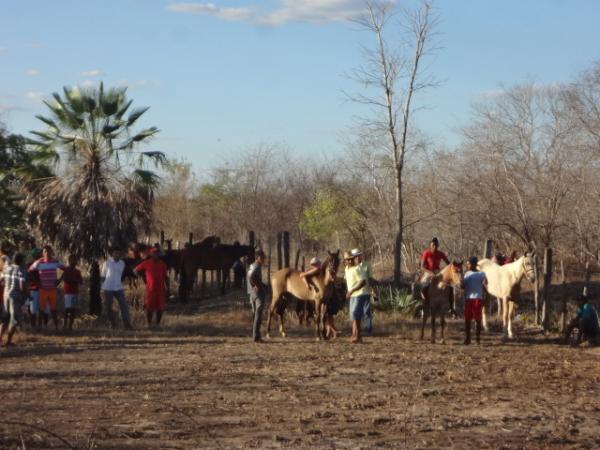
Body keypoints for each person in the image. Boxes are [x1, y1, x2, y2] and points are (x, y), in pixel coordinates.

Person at [29, 245, 65, 330]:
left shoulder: (55, 262)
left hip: (52, 289)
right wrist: (37, 282)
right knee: (41, 309)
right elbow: (30, 270)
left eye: (48, 251)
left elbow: (65, 269)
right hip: (43, 289)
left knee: (54, 310)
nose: (47, 253)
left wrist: (59, 280)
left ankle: (56, 328)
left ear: (51, 252)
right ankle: (40, 327)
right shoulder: (39, 262)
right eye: (45, 251)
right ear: (43, 253)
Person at [135, 248, 169, 327]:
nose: (156, 255)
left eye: (157, 253)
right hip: (150, 289)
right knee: (149, 307)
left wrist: (168, 288)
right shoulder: (146, 263)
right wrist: (143, 277)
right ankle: (149, 324)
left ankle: (157, 324)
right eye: (154, 253)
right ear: (151, 254)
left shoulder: (162, 264)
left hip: (161, 289)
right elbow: (135, 270)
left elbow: (166, 277)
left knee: (160, 308)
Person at [0, 253, 28, 347]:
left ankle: (0, 339)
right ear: (21, 261)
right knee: (14, 320)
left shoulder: (7, 268)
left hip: (5, 295)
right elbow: (22, 285)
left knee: (5, 319)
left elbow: (2, 279)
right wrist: (27, 294)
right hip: (15, 297)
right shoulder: (21, 270)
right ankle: (8, 341)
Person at [101, 248, 133, 329]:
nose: (117, 255)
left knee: (124, 306)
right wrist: (102, 287)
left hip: (118, 288)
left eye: (119, 254)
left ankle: (127, 324)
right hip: (108, 288)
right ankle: (113, 324)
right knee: (108, 307)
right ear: (112, 254)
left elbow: (121, 275)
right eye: (115, 253)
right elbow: (103, 276)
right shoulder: (107, 263)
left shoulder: (122, 263)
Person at [420, 237, 452, 313]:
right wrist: (430, 273)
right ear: (430, 245)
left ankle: (451, 306)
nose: (435, 246)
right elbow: (422, 267)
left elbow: (448, 264)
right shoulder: (426, 253)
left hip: (437, 271)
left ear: (438, 245)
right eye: (433, 245)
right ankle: (425, 302)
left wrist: (445, 270)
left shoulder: (441, 253)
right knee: (425, 285)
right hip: (428, 271)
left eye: (436, 245)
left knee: (448, 285)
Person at [462, 256, 487, 345]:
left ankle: (477, 339)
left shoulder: (482, 274)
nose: (467, 265)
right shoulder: (467, 274)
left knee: (477, 319)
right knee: (467, 320)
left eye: (469, 263)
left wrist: (485, 298)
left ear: (473, 264)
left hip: (477, 299)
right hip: (468, 299)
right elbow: (463, 286)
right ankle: (468, 339)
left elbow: (485, 286)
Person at [345, 250, 369, 343]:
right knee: (353, 315)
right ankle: (354, 335)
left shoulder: (357, 269)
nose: (349, 261)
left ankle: (358, 336)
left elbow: (362, 282)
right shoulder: (347, 269)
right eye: (347, 260)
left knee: (356, 314)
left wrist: (351, 291)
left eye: (351, 259)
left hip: (360, 294)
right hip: (352, 295)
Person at [351, 248, 376, 336]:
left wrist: (373, 289)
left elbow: (370, 277)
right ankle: (357, 331)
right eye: (355, 256)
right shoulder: (351, 267)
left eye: (358, 256)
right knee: (355, 313)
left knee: (366, 311)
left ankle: (367, 330)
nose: (357, 258)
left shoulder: (366, 265)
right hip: (354, 293)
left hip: (365, 291)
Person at [58, 255, 83, 331]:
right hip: (68, 293)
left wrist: (74, 280)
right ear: (69, 261)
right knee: (67, 309)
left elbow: (81, 281)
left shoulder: (77, 271)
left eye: (75, 260)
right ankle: (65, 325)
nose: (74, 262)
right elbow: (64, 279)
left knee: (73, 310)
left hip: (75, 292)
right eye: (72, 260)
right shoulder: (66, 270)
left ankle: (70, 326)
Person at [247, 250, 267, 343]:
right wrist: (256, 286)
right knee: (258, 315)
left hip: (251, 293)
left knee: (255, 315)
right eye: (262, 257)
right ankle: (256, 337)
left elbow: (251, 276)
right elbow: (252, 277)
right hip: (258, 294)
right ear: (257, 258)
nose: (264, 259)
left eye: (264, 257)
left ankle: (256, 336)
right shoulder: (257, 266)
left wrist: (262, 285)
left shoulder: (251, 265)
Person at [27, 248, 42, 329]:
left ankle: (39, 326)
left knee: (40, 309)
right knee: (33, 310)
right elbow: (28, 278)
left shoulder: (42, 264)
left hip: (40, 289)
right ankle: (33, 326)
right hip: (33, 289)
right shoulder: (30, 266)